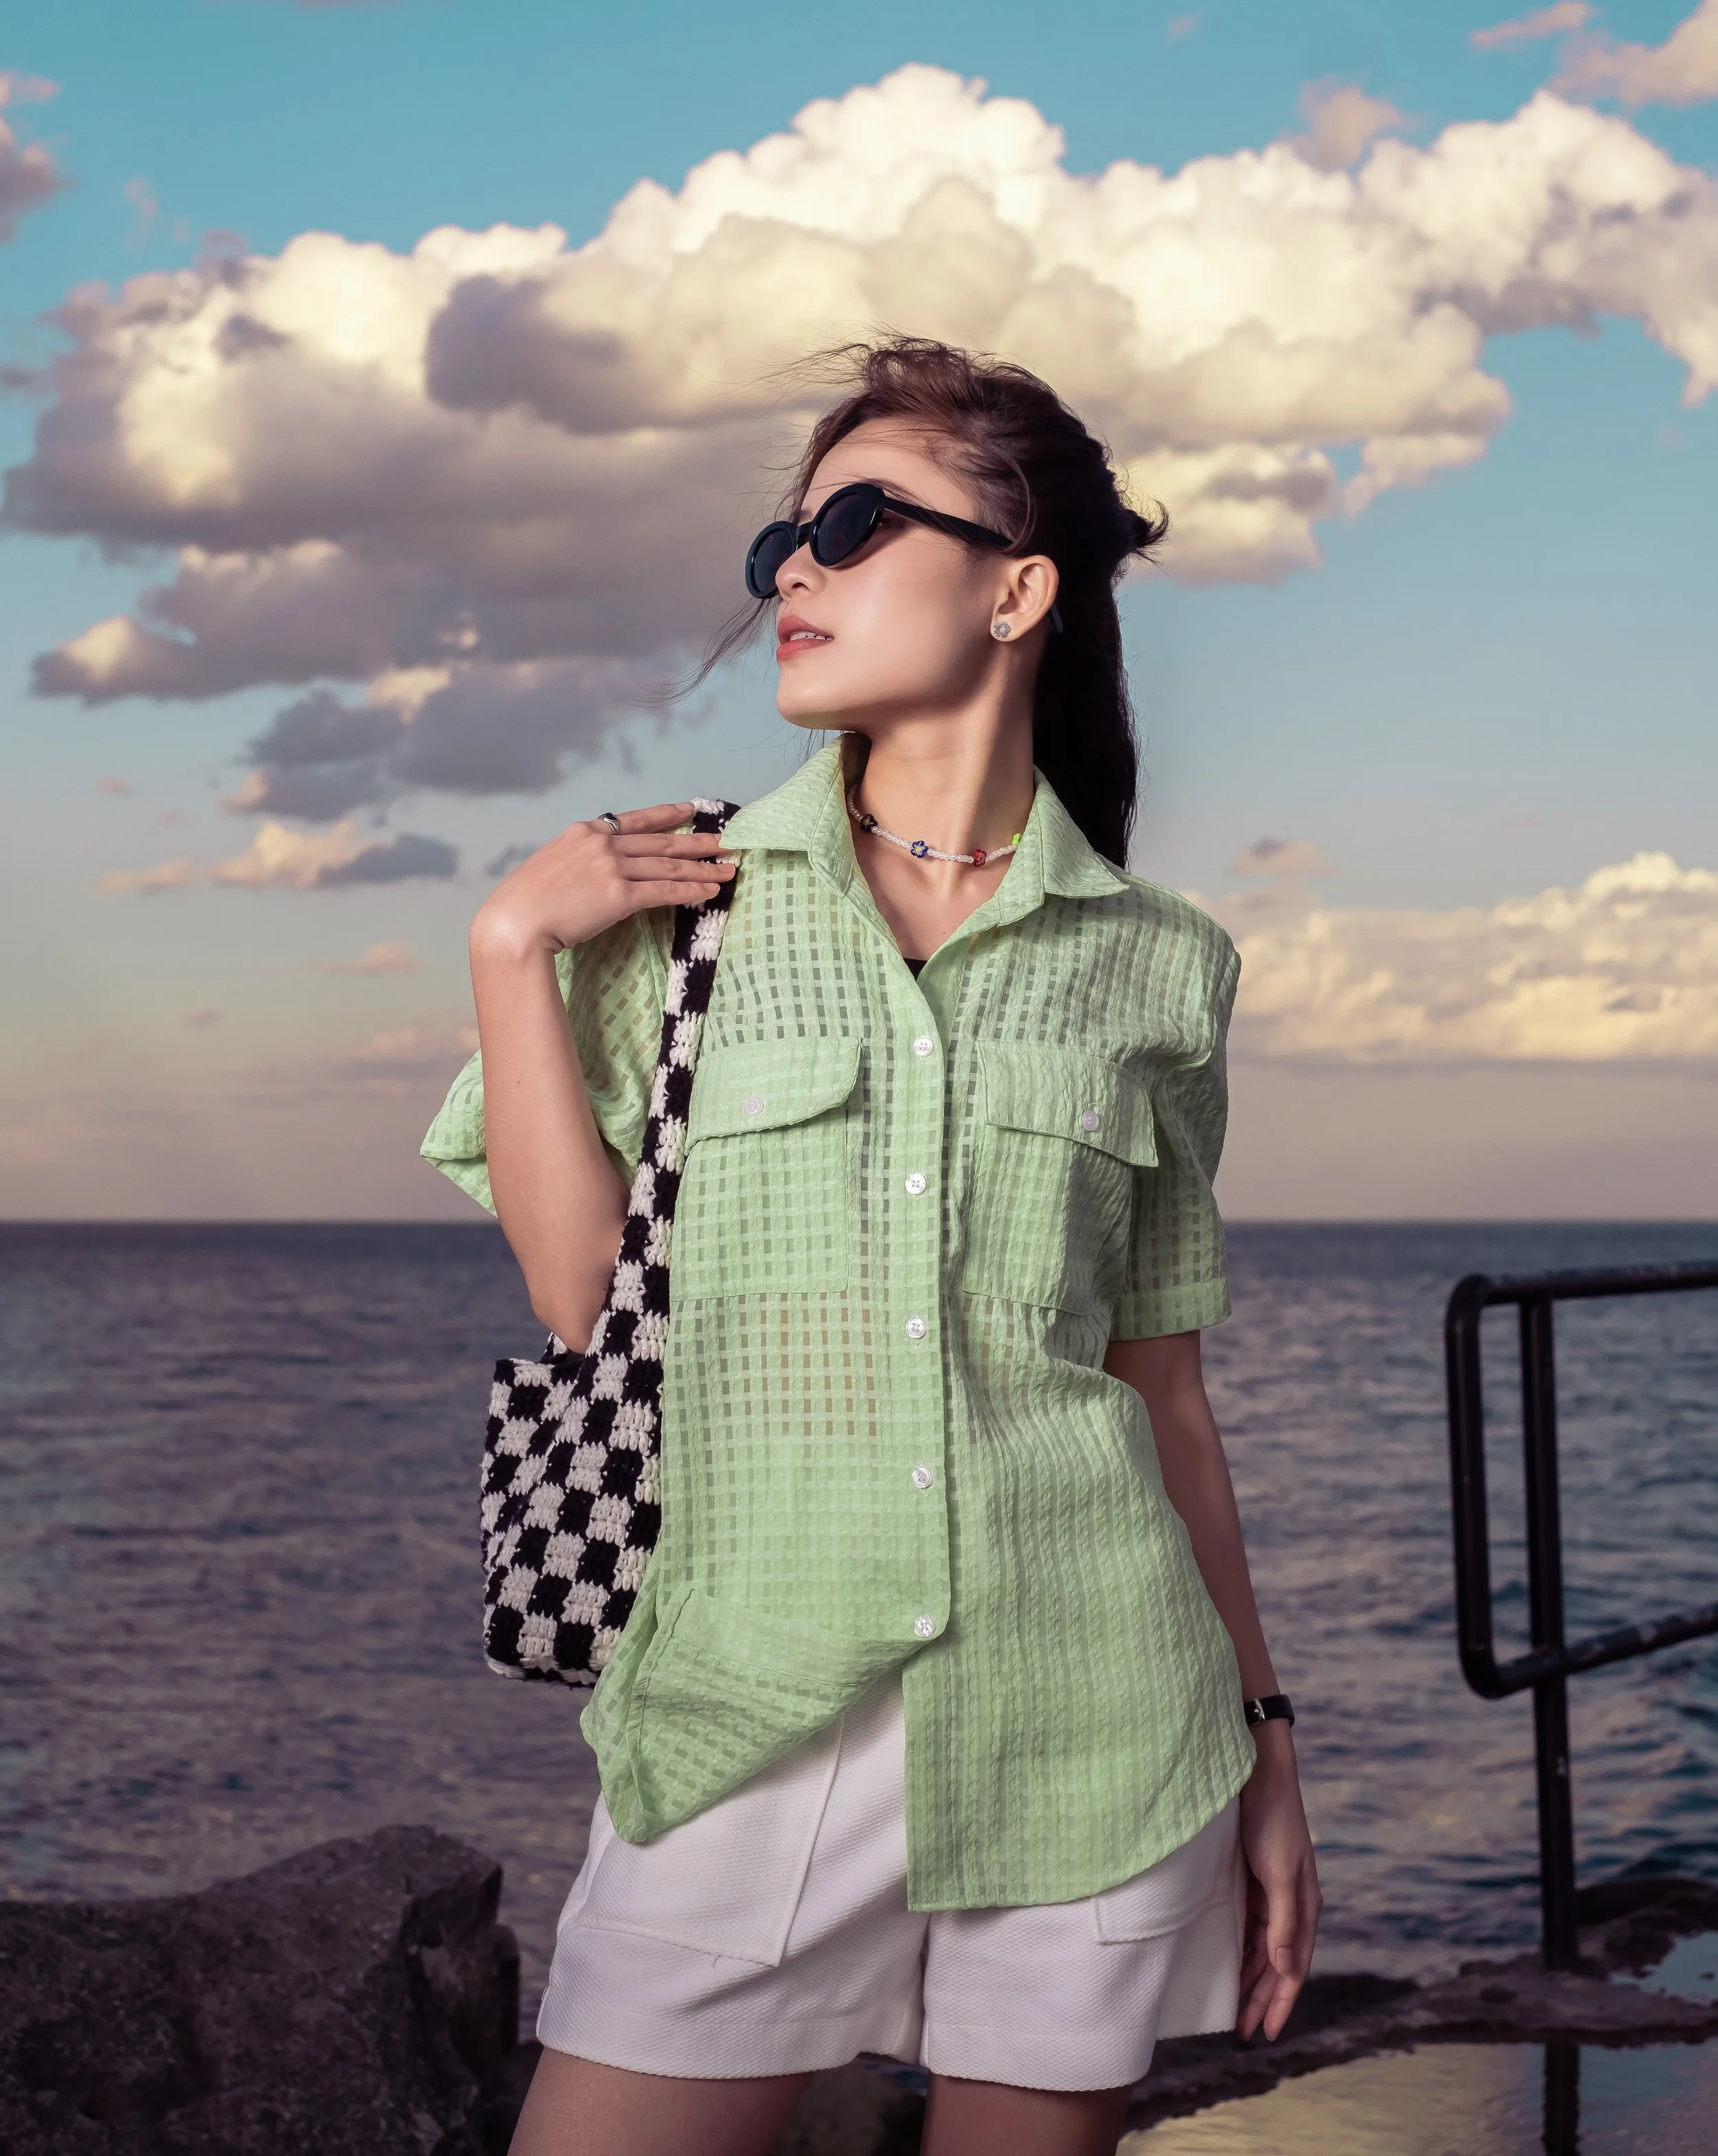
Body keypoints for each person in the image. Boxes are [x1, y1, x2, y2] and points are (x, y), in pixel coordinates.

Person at [421, 337, 1321, 2156]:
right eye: (780, 549)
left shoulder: (1159, 962)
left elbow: (1161, 1394)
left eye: (850, 523)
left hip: (1096, 1714)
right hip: (750, 1714)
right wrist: (514, 945)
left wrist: (1269, 1747)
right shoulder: (660, 910)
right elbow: (575, 1295)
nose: (794, 574)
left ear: (1016, 584)